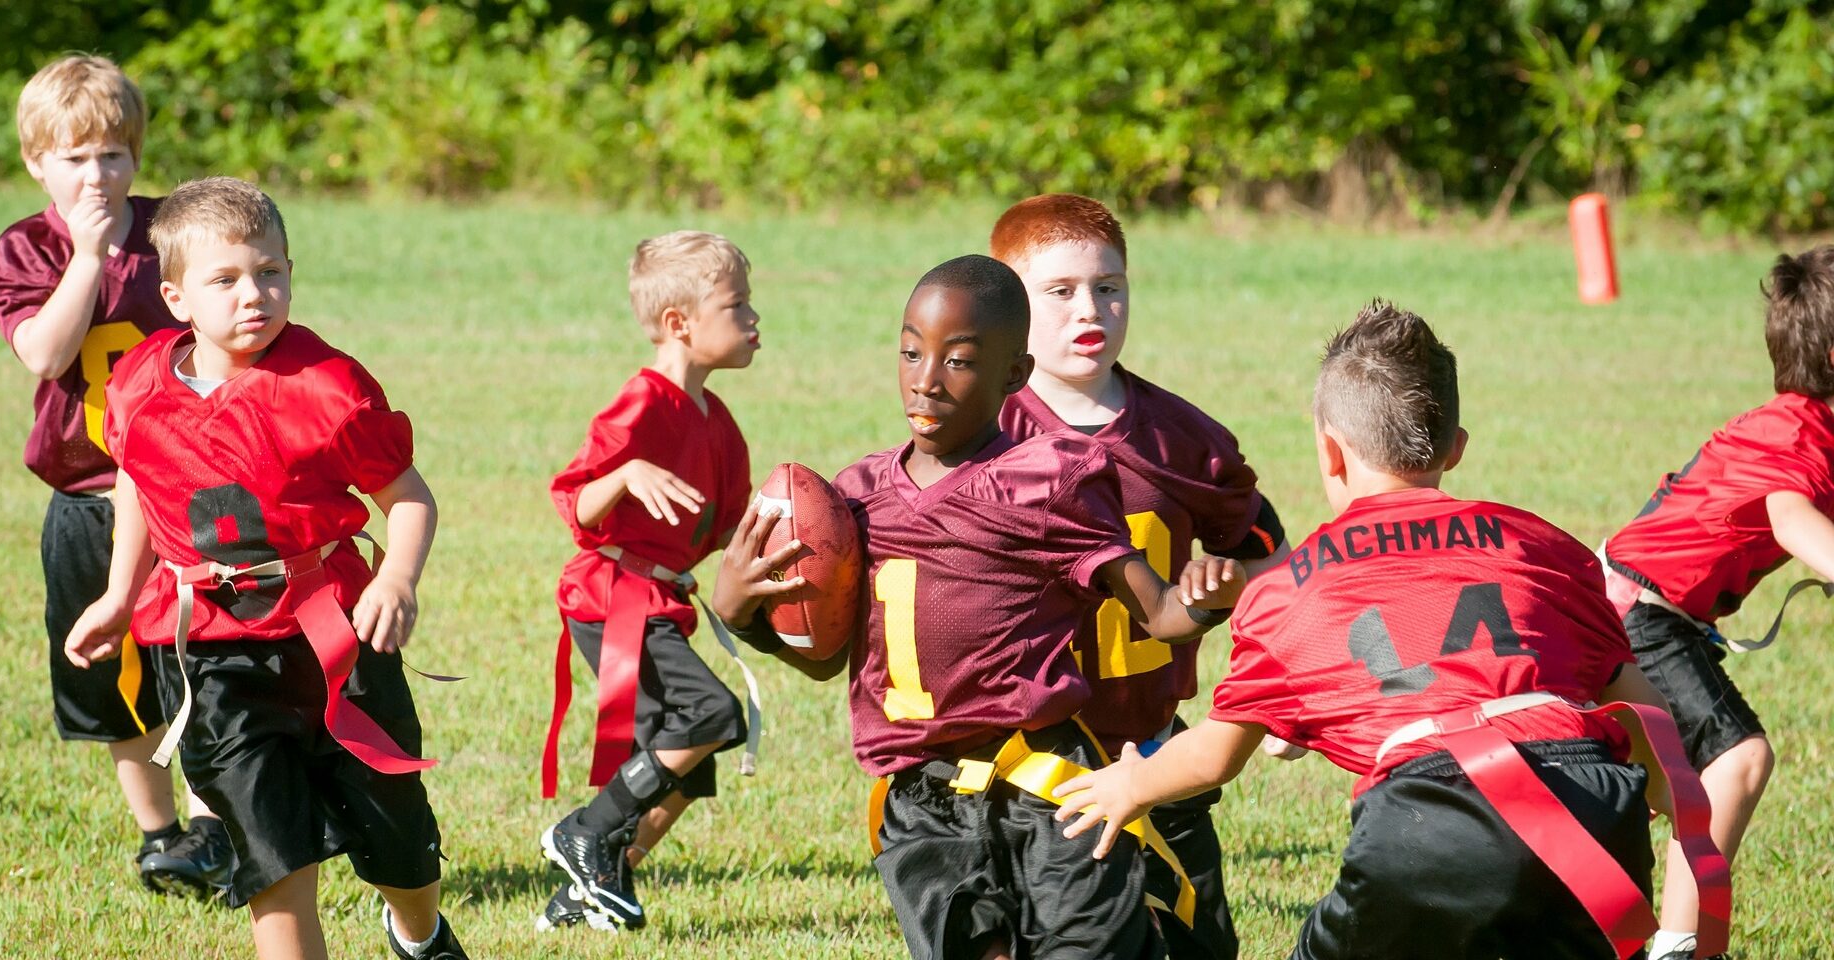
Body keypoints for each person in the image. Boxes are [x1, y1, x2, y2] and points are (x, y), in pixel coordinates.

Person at [1054, 302, 1730, 960]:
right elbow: (1650, 721)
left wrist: (1129, 785)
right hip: (1587, 812)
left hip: (1427, 817)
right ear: (1455, 450)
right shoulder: (1546, 546)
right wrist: (1676, 814)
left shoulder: (1289, 591)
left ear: (1330, 454)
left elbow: (1213, 757)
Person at [713, 254, 1243, 960]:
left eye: (958, 361)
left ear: (1014, 377)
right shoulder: (858, 496)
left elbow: (1158, 614)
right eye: (910, 351)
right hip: (920, 804)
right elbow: (828, 663)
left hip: (1046, 784)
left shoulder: (1048, 481)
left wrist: (1204, 601)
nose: (925, 379)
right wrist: (743, 611)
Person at [63, 177, 466, 959]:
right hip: (214, 653)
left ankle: (419, 935)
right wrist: (119, 594)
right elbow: (140, 482)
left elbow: (410, 499)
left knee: (399, 842)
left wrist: (397, 578)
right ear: (176, 298)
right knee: (271, 864)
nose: (255, 294)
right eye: (226, 279)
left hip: (335, 642)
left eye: (271, 271)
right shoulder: (140, 381)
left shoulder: (328, 386)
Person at [992, 193, 1289, 959]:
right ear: (1005, 304)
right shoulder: (983, 434)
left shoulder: (1186, 439)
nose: (1089, 308)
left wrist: (1225, 583)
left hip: (1156, 747)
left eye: (1109, 286)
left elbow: (1274, 562)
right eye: (1058, 292)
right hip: (1032, 761)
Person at [0, 53, 228, 897]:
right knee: (113, 675)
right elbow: (46, 355)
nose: (97, 175)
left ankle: (217, 826)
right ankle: (161, 835)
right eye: (75, 158)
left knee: (202, 665)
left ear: (137, 155)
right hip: (87, 497)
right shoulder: (25, 248)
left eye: (113, 155)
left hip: (186, 496)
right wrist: (87, 258)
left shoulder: (175, 235)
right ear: (36, 161)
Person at [1601, 245, 1834, 960]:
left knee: (1664, 793)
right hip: (1639, 614)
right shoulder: (1796, 436)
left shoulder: (1797, 423)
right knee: (1735, 763)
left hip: (1635, 607)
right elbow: (1793, 520)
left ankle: (1648, 937)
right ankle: (1676, 949)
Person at [538, 231, 762, 933]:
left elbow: (728, 531)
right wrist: (625, 473)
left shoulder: (718, 423)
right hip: (612, 601)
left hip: (661, 602)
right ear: (680, 324)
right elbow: (574, 504)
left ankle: (588, 893)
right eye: (738, 306)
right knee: (710, 716)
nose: (756, 320)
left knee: (687, 766)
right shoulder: (641, 403)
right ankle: (585, 832)